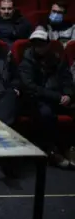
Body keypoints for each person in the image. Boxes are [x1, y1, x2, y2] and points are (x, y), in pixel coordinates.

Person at [18, 29, 74, 168]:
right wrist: (58, 97)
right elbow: (30, 86)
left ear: (48, 44)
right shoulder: (26, 62)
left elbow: (67, 79)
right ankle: (52, 150)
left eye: (42, 43)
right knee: (46, 114)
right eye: (36, 43)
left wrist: (68, 95)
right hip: (37, 99)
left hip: (59, 97)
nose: (39, 47)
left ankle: (69, 147)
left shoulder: (56, 59)